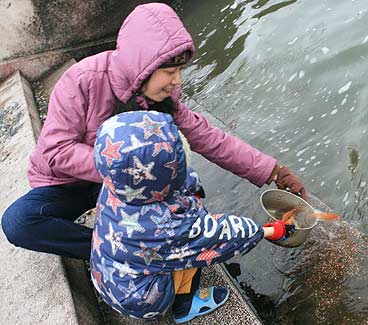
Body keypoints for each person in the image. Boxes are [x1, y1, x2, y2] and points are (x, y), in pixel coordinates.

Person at [1, 3, 306, 260]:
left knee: (187, 187)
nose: (177, 81)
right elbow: (56, 151)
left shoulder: (161, 97)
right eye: (170, 72)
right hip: (66, 184)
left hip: (130, 185)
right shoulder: (80, 82)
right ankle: (109, 254)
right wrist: (129, 171)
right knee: (19, 223)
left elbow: (208, 138)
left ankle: (148, 247)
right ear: (143, 67)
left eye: (180, 71)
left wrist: (273, 170)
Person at [91, 110, 293, 322]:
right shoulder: (166, 226)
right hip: (141, 299)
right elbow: (222, 235)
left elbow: (167, 181)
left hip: (109, 276)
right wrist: (272, 230)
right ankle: (183, 306)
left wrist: (189, 185)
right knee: (196, 245)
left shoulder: (118, 183)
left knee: (187, 215)